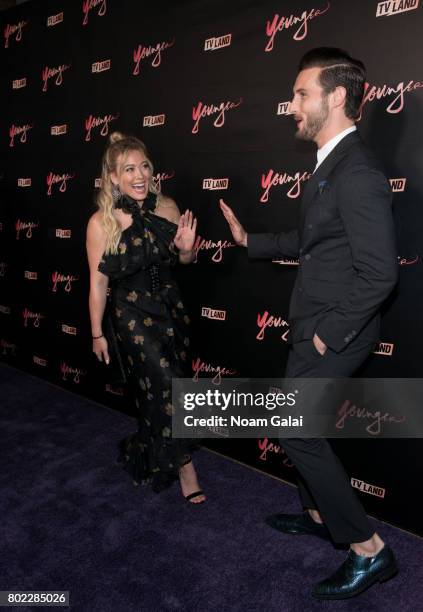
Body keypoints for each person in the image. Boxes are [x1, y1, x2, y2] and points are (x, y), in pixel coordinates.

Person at [220, 48, 398, 599]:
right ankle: (320, 516)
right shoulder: (330, 164)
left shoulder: (359, 172)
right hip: (311, 324)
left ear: (337, 96)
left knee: (297, 428)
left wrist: (328, 333)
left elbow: (380, 274)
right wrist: (254, 242)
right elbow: (314, 243)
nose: (291, 105)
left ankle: (370, 550)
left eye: (301, 94)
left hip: (335, 331)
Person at [86, 132, 205, 504]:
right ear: (114, 177)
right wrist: (96, 334)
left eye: (144, 166)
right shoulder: (101, 222)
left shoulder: (168, 207)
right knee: (166, 383)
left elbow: (184, 262)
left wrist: (187, 252)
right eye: (129, 169)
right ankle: (186, 468)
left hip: (171, 308)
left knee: (169, 388)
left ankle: (147, 446)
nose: (139, 175)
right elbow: (98, 282)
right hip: (131, 314)